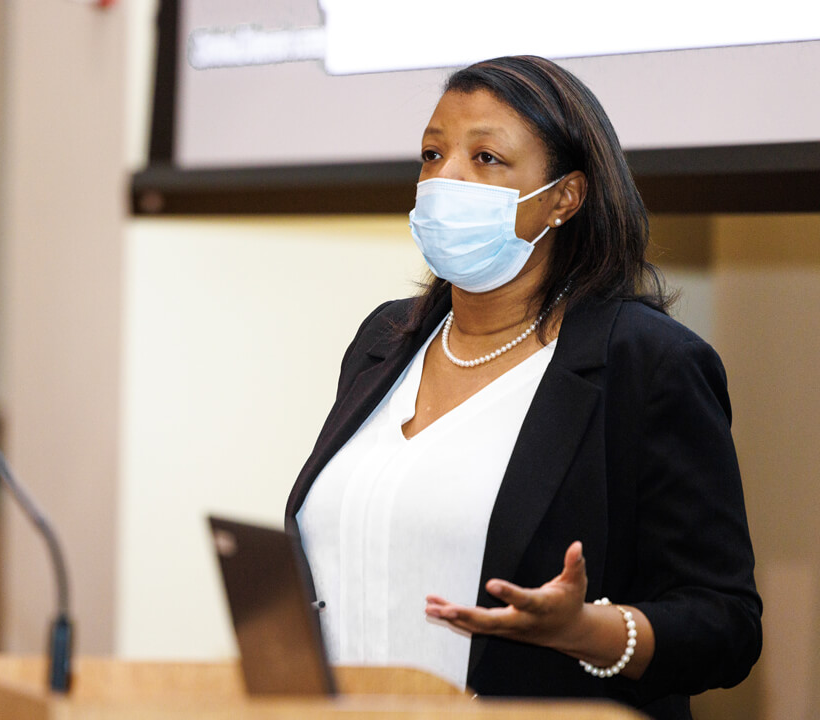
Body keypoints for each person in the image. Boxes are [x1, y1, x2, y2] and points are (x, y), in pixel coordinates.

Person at [284, 56, 761, 720]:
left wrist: (586, 631)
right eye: (431, 153)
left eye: (485, 159)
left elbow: (724, 625)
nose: (442, 178)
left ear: (564, 198)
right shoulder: (383, 338)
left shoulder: (647, 363)